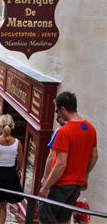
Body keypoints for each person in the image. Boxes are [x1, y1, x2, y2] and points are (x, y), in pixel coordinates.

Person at [39, 91, 98, 224]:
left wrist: (46, 186)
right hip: (76, 185)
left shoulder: (64, 132)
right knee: (64, 219)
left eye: (57, 111)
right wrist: (84, 176)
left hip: (60, 184)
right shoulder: (90, 129)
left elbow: (60, 163)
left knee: (45, 216)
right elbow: (94, 157)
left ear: (63, 109)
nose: (58, 114)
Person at [41, 116, 66, 186]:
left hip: (59, 178)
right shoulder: (84, 129)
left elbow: (51, 156)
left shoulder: (59, 131)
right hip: (75, 181)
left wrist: (45, 177)